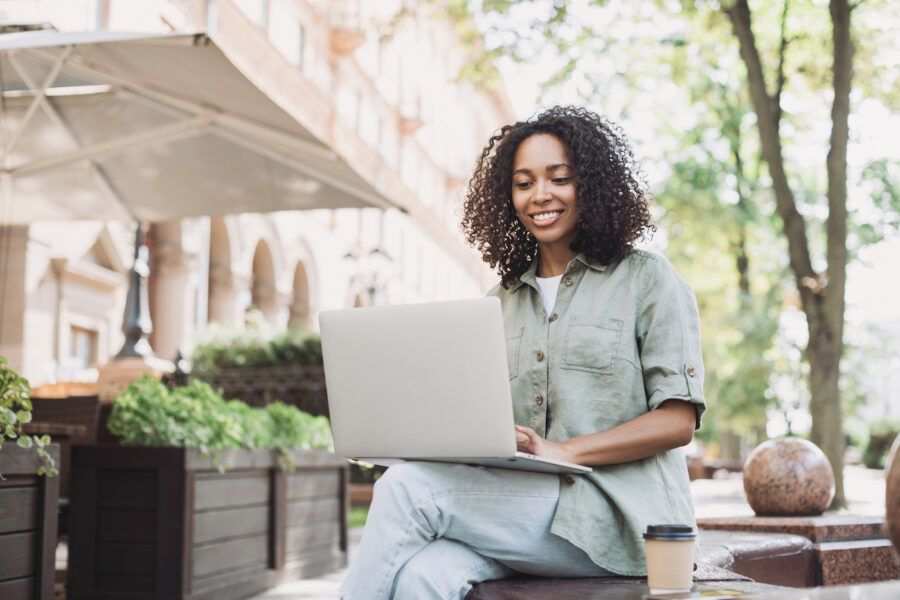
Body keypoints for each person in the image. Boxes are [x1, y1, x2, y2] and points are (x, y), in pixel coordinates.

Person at [339, 106, 706, 599]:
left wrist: (565, 450)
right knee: (421, 575)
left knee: (407, 490)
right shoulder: (499, 303)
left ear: (592, 185)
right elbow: (485, 425)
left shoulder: (647, 279)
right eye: (524, 183)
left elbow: (677, 421)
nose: (540, 196)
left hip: (618, 518)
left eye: (560, 179)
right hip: (520, 510)